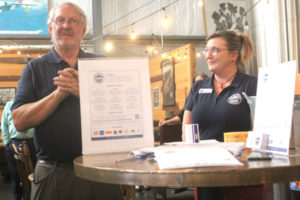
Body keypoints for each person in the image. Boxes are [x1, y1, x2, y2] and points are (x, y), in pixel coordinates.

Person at [11, 2, 122, 200]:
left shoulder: (103, 65)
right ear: (50, 28)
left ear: (83, 29)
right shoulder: (34, 68)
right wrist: (60, 93)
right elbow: (19, 121)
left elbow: (122, 113)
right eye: (60, 20)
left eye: (73, 21)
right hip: (53, 173)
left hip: (102, 171)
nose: (66, 25)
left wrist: (87, 93)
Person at [182, 31, 259, 200]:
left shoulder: (252, 85)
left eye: (215, 50)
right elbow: (187, 130)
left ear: (233, 55)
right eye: (206, 50)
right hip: (204, 174)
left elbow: (259, 132)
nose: (208, 56)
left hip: (242, 175)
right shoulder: (197, 87)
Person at [1, 100, 36, 200]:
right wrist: (7, 143)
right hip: (14, 144)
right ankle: (17, 197)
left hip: (32, 143)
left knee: (35, 174)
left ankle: (33, 197)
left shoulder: (33, 104)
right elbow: (4, 125)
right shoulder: (9, 105)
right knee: (15, 175)